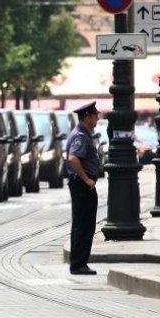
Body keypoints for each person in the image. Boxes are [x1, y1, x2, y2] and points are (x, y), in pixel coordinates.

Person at [65, 100, 101, 275]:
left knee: (83, 224)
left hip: (81, 184)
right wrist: (86, 179)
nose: (97, 118)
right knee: (83, 224)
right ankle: (78, 264)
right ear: (87, 117)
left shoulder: (84, 134)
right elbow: (73, 158)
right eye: (95, 115)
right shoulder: (81, 135)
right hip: (81, 185)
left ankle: (78, 263)